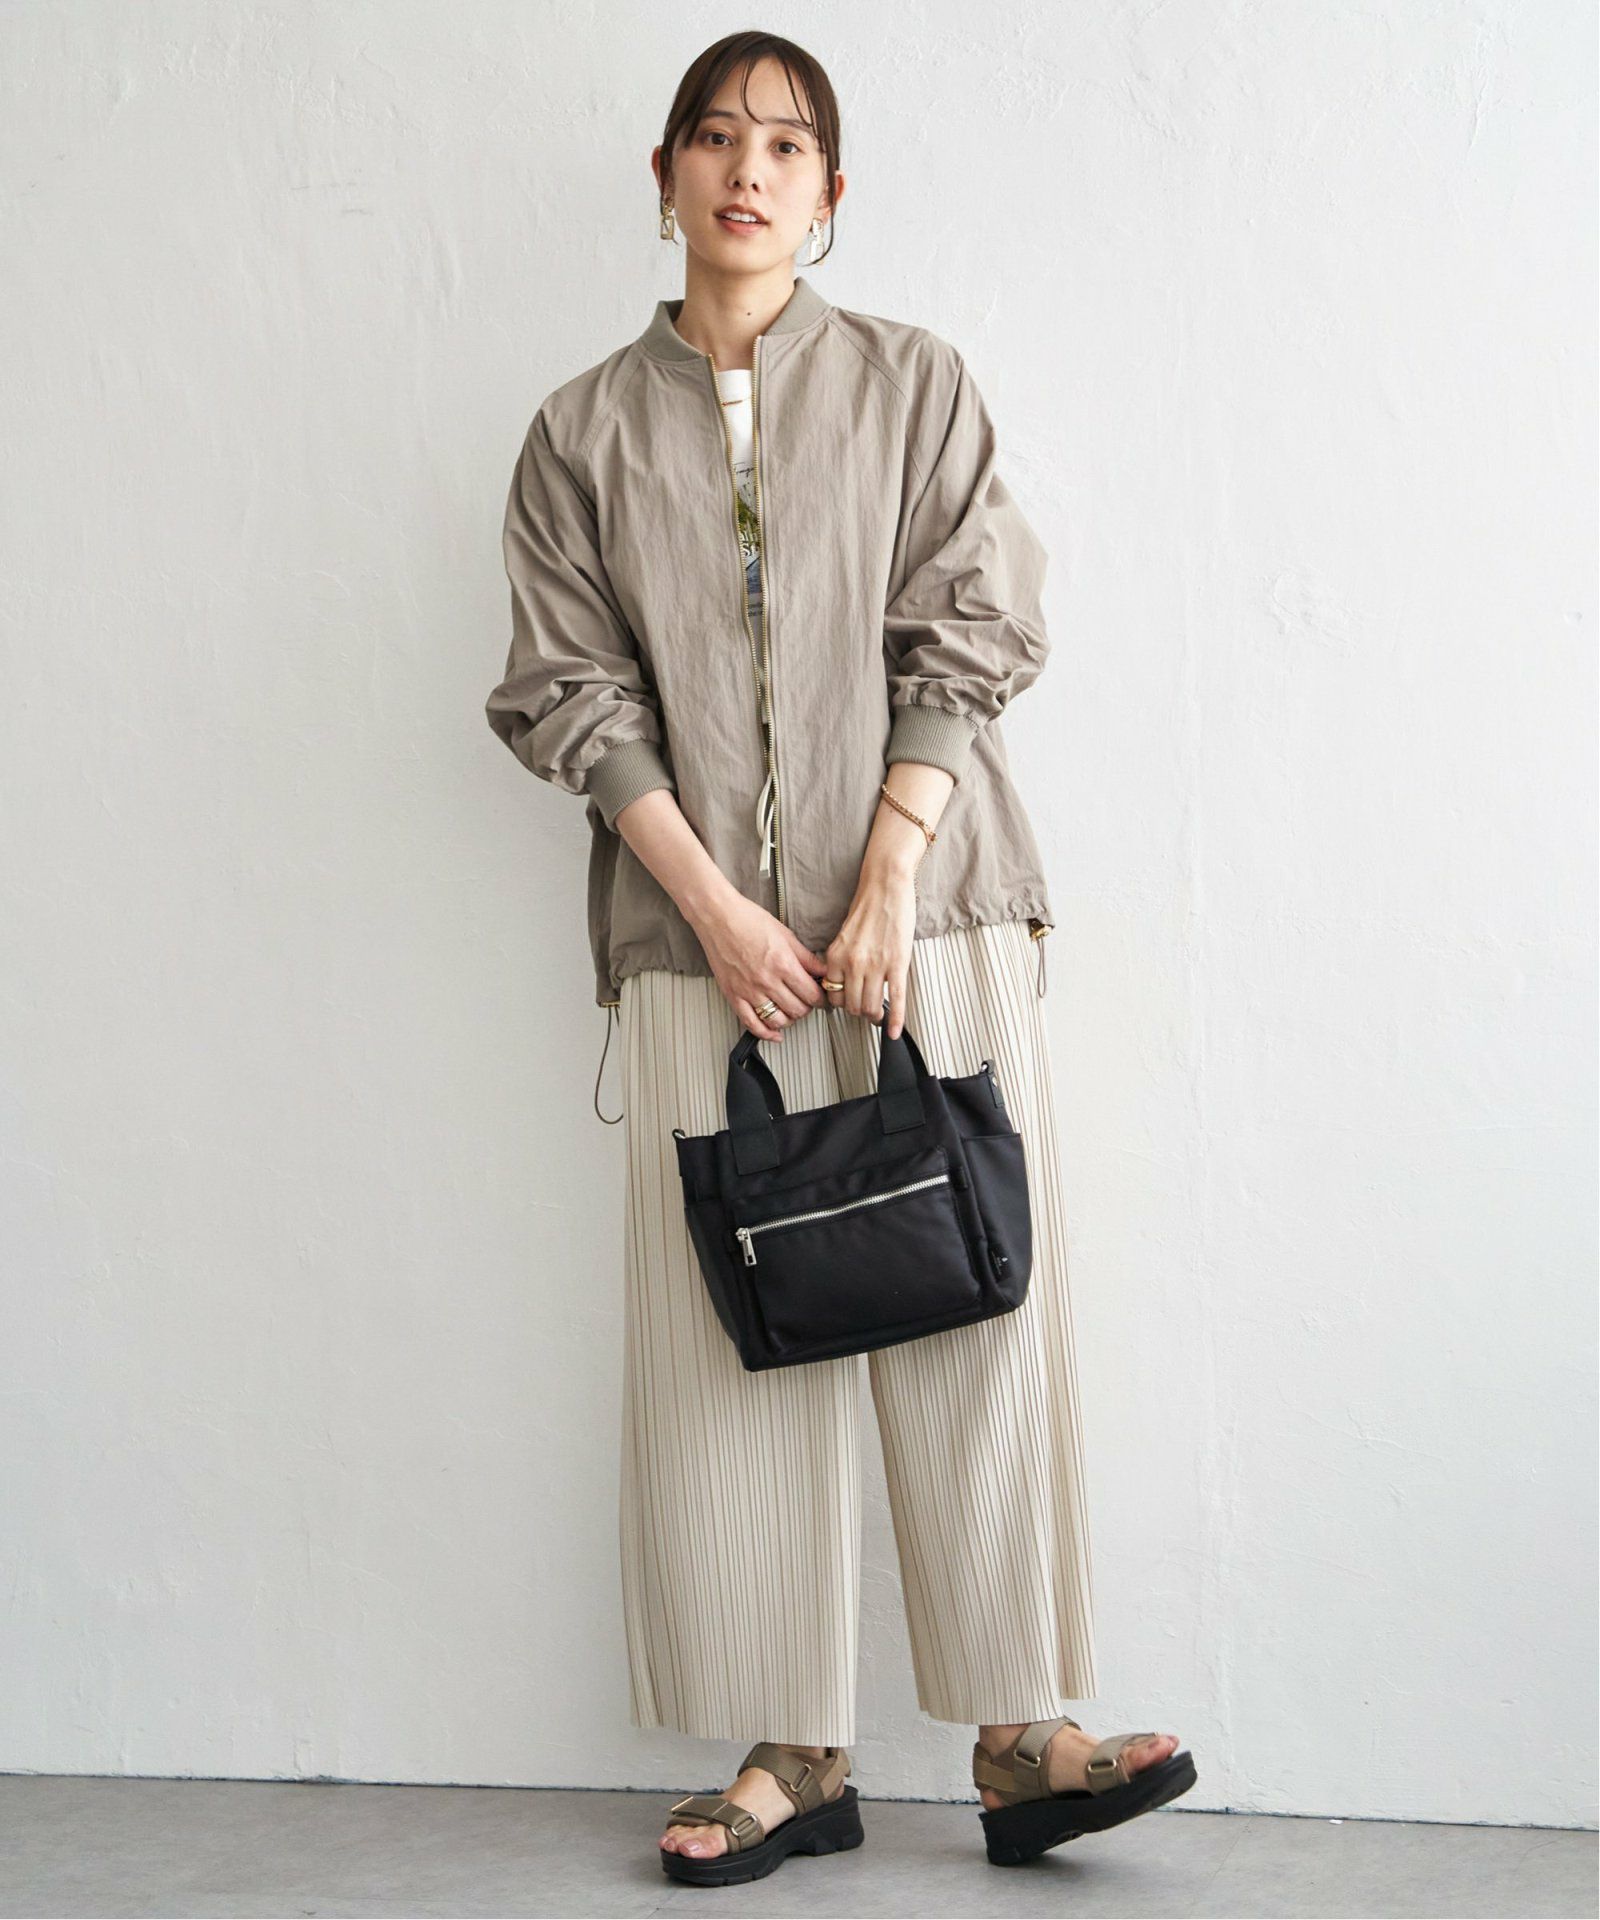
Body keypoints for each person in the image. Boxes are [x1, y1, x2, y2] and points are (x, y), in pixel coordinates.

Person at [485, 29, 1195, 1888]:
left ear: (831, 191)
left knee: (979, 1305)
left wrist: (884, 877)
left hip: (931, 916)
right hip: (692, 948)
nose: (749, 168)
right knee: (733, 1344)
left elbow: (974, 618)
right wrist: (721, 914)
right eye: (717, 137)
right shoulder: (579, 432)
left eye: (788, 144)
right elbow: (569, 692)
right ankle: (793, 1752)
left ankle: (1023, 1736)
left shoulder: (912, 383)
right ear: (664, 174)